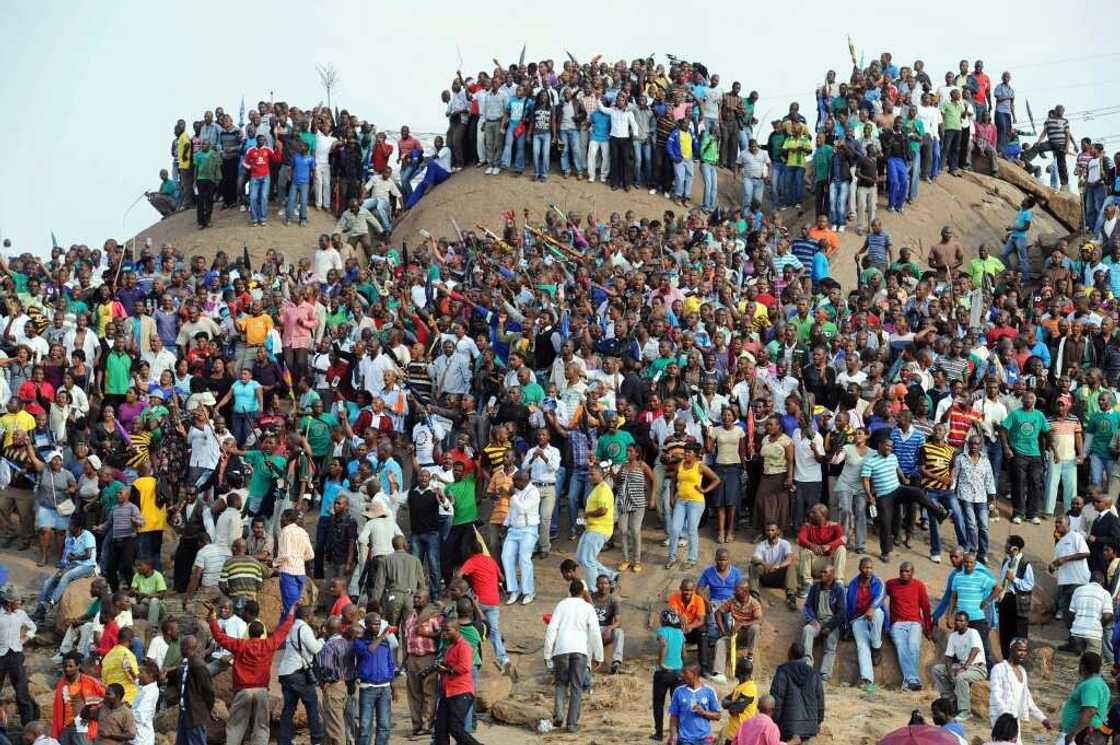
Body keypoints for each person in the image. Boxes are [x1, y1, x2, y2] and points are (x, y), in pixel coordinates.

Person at [208, 602, 295, 745]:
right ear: (262, 633)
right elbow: (283, 630)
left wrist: (212, 616)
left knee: (236, 726)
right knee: (261, 726)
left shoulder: (240, 645)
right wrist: (291, 612)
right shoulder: (268, 644)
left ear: (249, 632)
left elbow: (219, 636)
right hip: (261, 690)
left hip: (243, 690)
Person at [544, 579, 603, 732]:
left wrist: (547, 653)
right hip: (580, 650)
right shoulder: (588, 608)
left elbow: (552, 629)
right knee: (576, 687)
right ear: (583, 592)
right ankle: (571, 724)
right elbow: (595, 633)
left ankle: (558, 714)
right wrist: (599, 655)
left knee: (560, 684)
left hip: (561, 650)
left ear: (570, 591)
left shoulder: (561, 605)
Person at [668, 443, 721, 569]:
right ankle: (671, 558)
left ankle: (691, 559)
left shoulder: (700, 466)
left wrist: (705, 490)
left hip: (696, 502)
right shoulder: (679, 465)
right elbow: (673, 481)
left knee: (692, 530)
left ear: (696, 454)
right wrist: (671, 496)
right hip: (681, 501)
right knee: (675, 529)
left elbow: (716, 479)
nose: (686, 454)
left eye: (689, 452)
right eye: (685, 451)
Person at [431, 618, 483, 745]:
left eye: (447, 630)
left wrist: (447, 670)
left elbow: (464, 667)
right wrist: (441, 669)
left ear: (457, 630)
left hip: (461, 692)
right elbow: (449, 666)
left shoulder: (464, 646)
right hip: (448, 691)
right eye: (443, 631)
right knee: (440, 728)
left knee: (455, 728)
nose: (444, 633)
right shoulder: (450, 648)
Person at [988, 637, 1052, 736]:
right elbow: (996, 697)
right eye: (1019, 650)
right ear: (1011, 649)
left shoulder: (1022, 671)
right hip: (1001, 722)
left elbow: (1027, 699)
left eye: (1025, 651)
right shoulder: (999, 669)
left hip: (1014, 723)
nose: (1022, 653)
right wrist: (1008, 718)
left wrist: (1043, 719)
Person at [885, 561, 933, 691]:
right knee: (901, 646)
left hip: (914, 623)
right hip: (897, 623)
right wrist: (885, 622)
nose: (904, 574)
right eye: (901, 571)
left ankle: (909, 681)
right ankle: (913, 679)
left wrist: (929, 629)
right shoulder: (891, 584)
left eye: (907, 571)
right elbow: (880, 598)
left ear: (912, 572)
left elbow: (926, 607)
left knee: (913, 645)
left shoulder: (919, 585)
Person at [933, 611, 988, 723]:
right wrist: (950, 672)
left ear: (967, 623)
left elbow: (975, 649)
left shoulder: (973, 632)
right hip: (960, 666)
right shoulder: (953, 636)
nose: (958, 623)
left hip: (977, 667)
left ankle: (965, 711)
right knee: (937, 669)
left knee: (961, 676)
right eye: (957, 620)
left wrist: (965, 667)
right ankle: (950, 701)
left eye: (961, 621)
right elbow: (948, 656)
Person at [402, 590, 442, 736]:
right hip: (412, 658)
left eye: (419, 597)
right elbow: (406, 639)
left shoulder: (434, 617)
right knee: (414, 693)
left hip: (428, 657)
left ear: (427, 600)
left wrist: (426, 633)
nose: (416, 599)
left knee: (429, 692)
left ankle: (427, 725)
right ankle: (416, 725)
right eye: (415, 597)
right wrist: (404, 660)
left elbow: (442, 635)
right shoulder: (409, 617)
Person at [353, 611, 396, 745]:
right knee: (365, 726)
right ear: (366, 625)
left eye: (379, 624)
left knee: (384, 726)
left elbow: (390, 664)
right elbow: (368, 651)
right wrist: (383, 636)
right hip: (368, 688)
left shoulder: (385, 644)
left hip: (384, 688)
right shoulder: (360, 642)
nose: (377, 627)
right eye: (374, 624)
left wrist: (393, 687)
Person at [769, 643, 824, 743]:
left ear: (789, 654)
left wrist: (775, 721)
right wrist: (818, 721)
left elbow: (777, 698)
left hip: (787, 728)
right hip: (809, 727)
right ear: (803, 656)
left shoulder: (782, 672)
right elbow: (820, 700)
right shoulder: (814, 674)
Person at [791, 504, 847, 600]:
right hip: (814, 564)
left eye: (814, 513)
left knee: (841, 549)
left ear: (823, 515)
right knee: (804, 550)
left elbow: (843, 539)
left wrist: (829, 546)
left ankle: (838, 582)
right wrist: (812, 546)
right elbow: (800, 539)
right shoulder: (807, 526)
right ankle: (807, 584)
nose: (810, 514)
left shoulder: (835, 526)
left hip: (829, 564)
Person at [799, 565, 845, 681]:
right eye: (821, 572)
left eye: (825, 572)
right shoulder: (815, 587)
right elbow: (808, 606)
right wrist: (811, 620)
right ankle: (807, 666)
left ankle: (824, 674)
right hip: (817, 621)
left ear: (832, 575)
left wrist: (829, 627)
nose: (822, 574)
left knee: (830, 646)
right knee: (807, 630)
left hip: (832, 623)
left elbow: (841, 612)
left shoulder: (839, 589)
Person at [846, 557, 885, 693]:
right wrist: (847, 625)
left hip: (873, 613)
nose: (868, 570)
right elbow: (849, 606)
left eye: (870, 568)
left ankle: (876, 647)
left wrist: (872, 608)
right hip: (858, 618)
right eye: (865, 568)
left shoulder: (878, 581)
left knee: (878, 613)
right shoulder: (853, 584)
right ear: (860, 569)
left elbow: (881, 596)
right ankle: (867, 680)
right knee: (862, 646)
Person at [0, 592, 39, 727]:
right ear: (9, 602)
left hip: (16, 655)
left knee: (21, 691)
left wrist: (26, 638)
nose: (20, 603)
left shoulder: (20, 614)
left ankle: (28, 725)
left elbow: (33, 627)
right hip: (0, 656)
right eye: (18, 601)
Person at [52, 651, 106, 745]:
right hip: (65, 727)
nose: (67, 669)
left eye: (70, 666)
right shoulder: (61, 684)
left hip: (83, 728)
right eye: (65, 666)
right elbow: (58, 709)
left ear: (78, 666)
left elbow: (106, 699)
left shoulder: (90, 682)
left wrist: (91, 712)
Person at [502, 470, 539, 606]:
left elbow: (522, 509)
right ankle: (514, 590)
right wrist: (505, 524)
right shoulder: (517, 491)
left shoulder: (534, 492)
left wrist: (512, 496)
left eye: (516, 481)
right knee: (506, 557)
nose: (514, 483)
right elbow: (512, 510)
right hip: (513, 530)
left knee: (524, 559)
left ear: (525, 480)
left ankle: (529, 591)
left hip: (528, 529)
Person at [995, 535, 1034, 659]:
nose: (1005, 545)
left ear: (1015, 548)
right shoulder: (1006, 561)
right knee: (1005, 634)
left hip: (1017, 602)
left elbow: (1029, 585)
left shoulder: (1024, 564)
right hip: (1005, 600)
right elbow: (1002, 580)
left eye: (1008, 543)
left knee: (1018, 634)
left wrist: (1014, 579)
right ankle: (1006, 659)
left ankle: (1019, 661)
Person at [1058, 652, 1110, 744]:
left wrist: (1073, 734)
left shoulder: (1091, 685)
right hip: (1085, 732)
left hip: (1083, 734)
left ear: (1082, 666)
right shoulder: (1099, 683)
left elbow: (1090, 711)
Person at [668, 578, 713, 676]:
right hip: (680, 629)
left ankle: (704, 668)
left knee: (703, 632)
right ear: (680, 589)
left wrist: (691, 626)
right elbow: (673, 616)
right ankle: (676, 667)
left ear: (693, 590)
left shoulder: (698, 599)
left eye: (690, 590)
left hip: (693, 631)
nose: (687, 593)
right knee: (674, 630)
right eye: (685, 590)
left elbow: (701, 620)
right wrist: (680, 618)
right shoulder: (674, 598)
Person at [668, 663, 720, 745]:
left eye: (685, 673)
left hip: (704, 739)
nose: (682, 675)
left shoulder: (709, 691)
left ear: (695, 674)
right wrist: (673, 736)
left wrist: (704, 712)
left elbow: (718, 716)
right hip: (685, 740)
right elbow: (674, 716)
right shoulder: (678, 691)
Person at [1051, 516, 1091, 624]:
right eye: (1056, 522)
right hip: (1065, 583)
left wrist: (1065, 559)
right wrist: (1052, 566)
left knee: (1079, 614)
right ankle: (1072, 639)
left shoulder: (1075, 536)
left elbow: (1086, 553)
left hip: (1078, 581)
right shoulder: (1058, 544)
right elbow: (1056, 563)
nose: (1057, 524)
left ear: (1068, 524)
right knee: (1068, 616)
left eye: (1060, 522)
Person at [1063, 572, 1114, 656]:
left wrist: (1076, 625)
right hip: (1093, 634)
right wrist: (1099, 625)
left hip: (1077, 633)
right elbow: (1107, 616)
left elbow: (1071, 613)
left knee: (1082, 661)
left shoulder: (1078, 590)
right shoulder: (1105, 594)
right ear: (1102, 582)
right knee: (1092, 662)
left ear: (1089, 580)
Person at [590, 574, 625, 674]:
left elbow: (618, 621)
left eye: (605, 583)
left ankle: (616, 661)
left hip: (605, 630)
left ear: (609, 585)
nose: (603, 586)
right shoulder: (591, 597)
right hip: (592, 629)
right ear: (596, 585)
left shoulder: (613, 600)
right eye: (600, 583)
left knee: (619, 632)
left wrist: (610, 628)